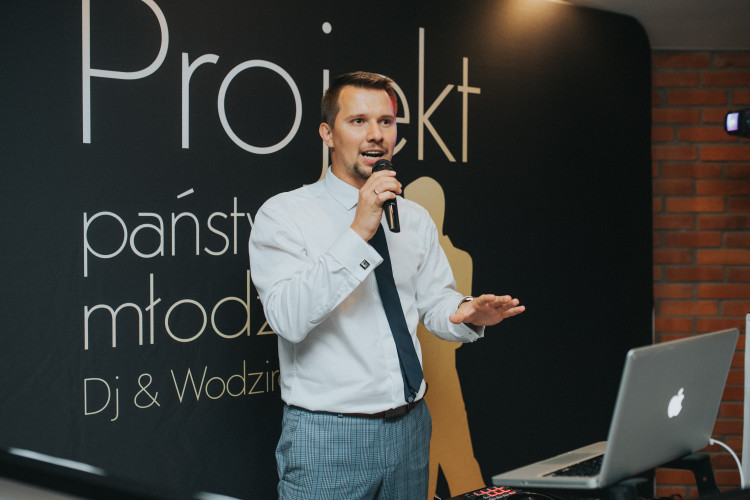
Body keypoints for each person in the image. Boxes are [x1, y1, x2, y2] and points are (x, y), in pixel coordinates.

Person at [248, 71, 524, 500]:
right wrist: (360, 230)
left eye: (386, 122)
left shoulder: (413, 218)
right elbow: (288, 319)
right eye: (358, 121)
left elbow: (434, 302)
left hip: (411, 427)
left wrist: (465, 312)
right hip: (329, 437)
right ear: (327, 134)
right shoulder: (284, 215)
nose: (376, 134)